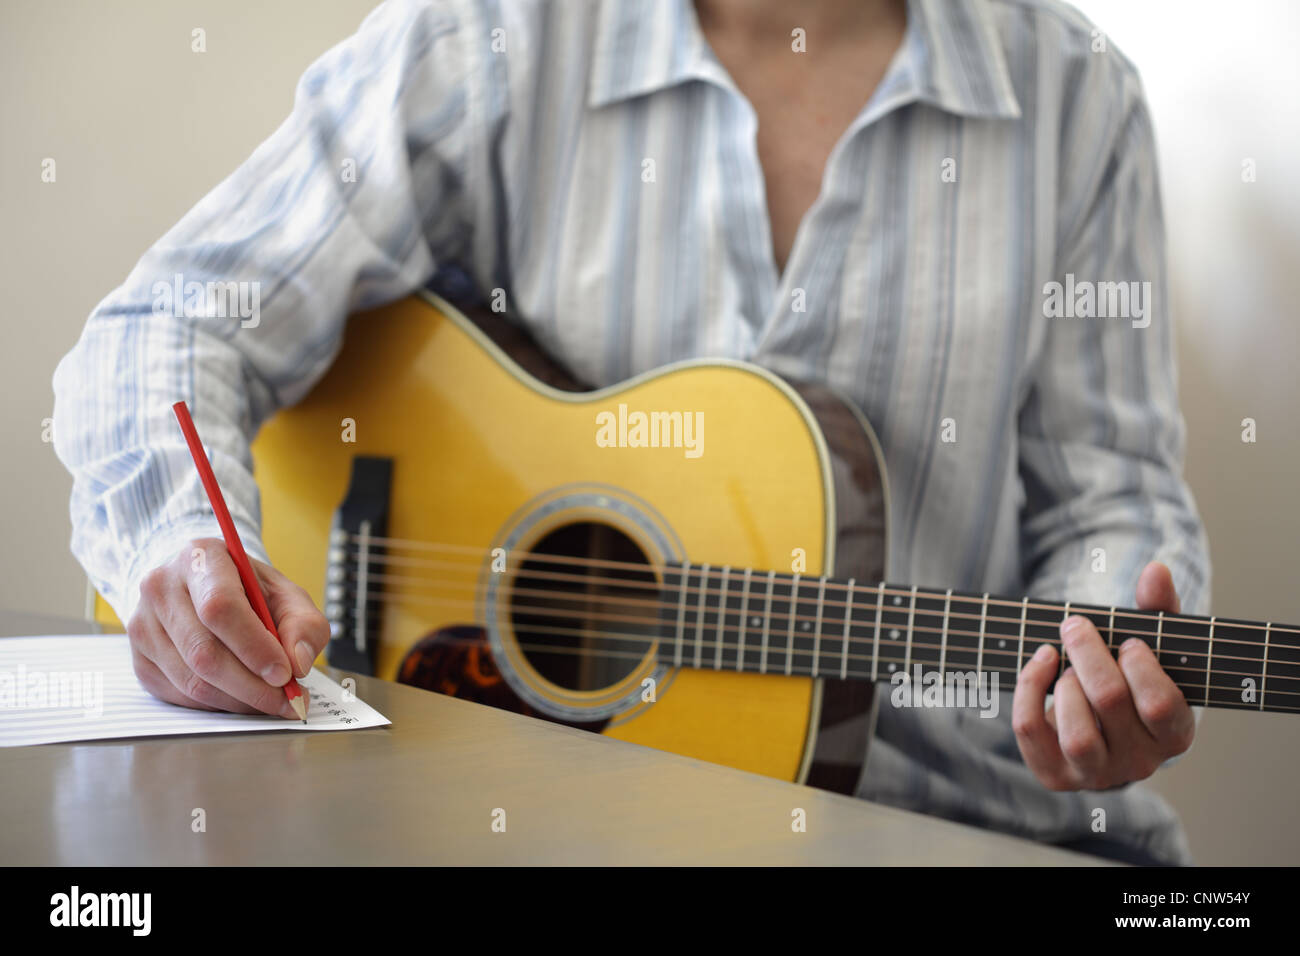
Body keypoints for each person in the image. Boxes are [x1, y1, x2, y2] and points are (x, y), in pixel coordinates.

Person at [51, 0, 1207, 864]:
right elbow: (171, 320)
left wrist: (1102, 670)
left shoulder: (1078, 96)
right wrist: (184, 545)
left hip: (953, 821)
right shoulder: (489, 34)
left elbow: (1110, 495)